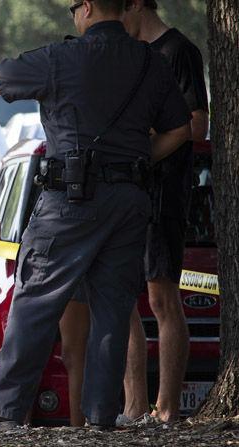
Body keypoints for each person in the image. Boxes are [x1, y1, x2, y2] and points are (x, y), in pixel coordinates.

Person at [0, 0, 191, 430]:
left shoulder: (59, 58)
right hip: (129, 202)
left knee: (35, 300)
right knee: (113, 306)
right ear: (125, 8)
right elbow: (180, 129)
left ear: (85, 8)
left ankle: (6, 408)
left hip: (70, 199)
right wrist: (136, 163)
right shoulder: (151, 63)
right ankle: (102, 414)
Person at [59, 0, 210, 426]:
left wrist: (140, 130)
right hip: (123, 195)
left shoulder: (179, 51)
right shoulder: (127, 57)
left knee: (162, 298)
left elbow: (197, 124)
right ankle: (133, 405)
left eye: (118, 9)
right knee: (119, 300)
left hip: (164, 193)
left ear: (137, 5)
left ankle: (166, 408)